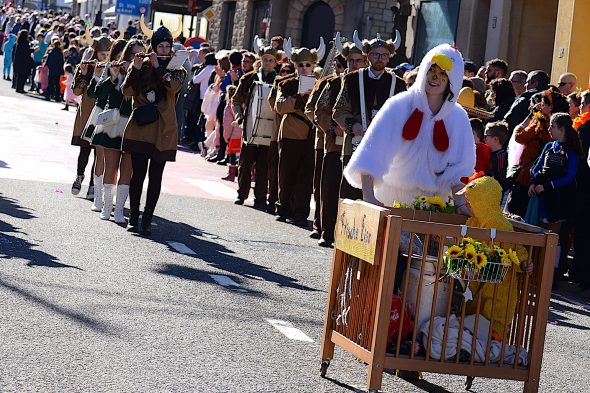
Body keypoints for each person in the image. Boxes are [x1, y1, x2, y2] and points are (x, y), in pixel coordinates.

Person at [344, 43, 474, 209]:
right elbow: (372, 152)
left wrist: (461, 204)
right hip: (392, 201)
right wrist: (369, 197)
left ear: (452, 80)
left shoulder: (458, 117)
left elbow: (460, 168)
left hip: (436, 205)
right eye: (431, 71)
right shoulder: (398, 106)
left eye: (443, 74)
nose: (435, 78)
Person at [123, 18, 186, 235]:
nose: (165, 49)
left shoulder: (177, 68)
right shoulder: (141, 65)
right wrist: (137, 69)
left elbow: (173, 88)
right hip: (141, 128)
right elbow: (127, 92)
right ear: (153, 47)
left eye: (168, 46)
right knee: (138, 174)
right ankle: (133, 217)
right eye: (160, 46)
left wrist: (159, 66)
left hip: (164, 130)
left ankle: (147, 219)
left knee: (156, 176)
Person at [333, 30, 406, 200]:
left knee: (378, 196)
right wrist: (353, 126)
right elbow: (339, 110)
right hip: (355, 145)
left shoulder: (399, 84)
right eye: (375, 54)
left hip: (385, 149)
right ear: (367, 57)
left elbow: (404, 115)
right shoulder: (351, 80)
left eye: (384, 55)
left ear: (389, 58)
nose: (380, 58)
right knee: (349, 196)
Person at [311, 33, 367, 247]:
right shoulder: (333, 83)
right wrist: (335, 129)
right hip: (334, 146)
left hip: (359, 148)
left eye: (358, 60)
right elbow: (319, 112)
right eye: (351, 60)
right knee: (330, 189)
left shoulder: (366, 85)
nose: (354, 64)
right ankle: (327, 232)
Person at [92, 38, 146, 224]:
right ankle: (107, 208)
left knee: (127, 169)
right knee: (110, 166)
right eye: (134, 54)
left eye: (141, 54)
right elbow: (98, 92)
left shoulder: (144, 72)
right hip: (113, 123)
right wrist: (113, 77)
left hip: (133, 125)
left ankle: (120, 211)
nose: (137, 58)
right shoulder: (115, 68)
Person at [273, 38, 325, 226]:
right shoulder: (286, 84)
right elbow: (279, 106)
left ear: (313, 66)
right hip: (290, 135)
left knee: (305, 179)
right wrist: (298, 100)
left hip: (311, 138)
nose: (304, 68)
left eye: (307, 65)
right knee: (286, 175)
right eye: (300, 65)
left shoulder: (321, 85)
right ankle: (283, 208)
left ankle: (301, 213)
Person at [529, 113, 581, 283]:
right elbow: (536, 168)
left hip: (558, 200)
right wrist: (534, 182)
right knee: (540, 235)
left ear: (562, 128)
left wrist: (548, 185)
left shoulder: (571, 152)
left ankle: (551, 275)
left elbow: (569, 177)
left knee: (554, 238)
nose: (549, 129)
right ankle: (535, 272)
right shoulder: (549, 146)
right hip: (542, 198)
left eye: (552, 126)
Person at [231, 39, 280, 208]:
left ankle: (260, 198)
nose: (267, 63)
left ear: (275, 63)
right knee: (245, 164)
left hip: (269, 130)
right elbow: (236, 99)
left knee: (264, 167)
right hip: (250, 128)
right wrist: (239, 114)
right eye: (265, 59)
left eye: (271, 60)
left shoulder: (279, 81)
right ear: (261, 61)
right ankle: (241, 194)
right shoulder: (249, 78)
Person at [507, 89, 569, 217]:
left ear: (551, 107)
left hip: (527, 179)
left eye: (543, 103)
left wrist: (531, 116)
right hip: (545, 182)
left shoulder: (540, 123)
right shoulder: (563, 127)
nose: (540, 106)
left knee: (516, 217)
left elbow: (519, 136)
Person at [70, 35, 113, 200]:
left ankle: (93, 185)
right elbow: (76, 91)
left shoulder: (111, 69)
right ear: (95, 54)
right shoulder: (87, 67)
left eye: (108, 54)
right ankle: (79, 177)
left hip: (103, 115)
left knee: (99, 152)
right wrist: (84, 73)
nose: (105, 57)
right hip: (87, 115)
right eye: (102, 54)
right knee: (84, 150)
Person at [573, 91, 590, 290]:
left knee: (584, 232)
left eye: (583, 103)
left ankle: (582, 274)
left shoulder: (585, 130)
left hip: (585, 187)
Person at [504, 70, 550, 136]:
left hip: (523, 138)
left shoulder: (524, 100)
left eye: (527, 82)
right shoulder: (555, 100)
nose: (525, 85)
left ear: (535, 84)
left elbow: (509, 120)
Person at [483, 121, 510, 198]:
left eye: (486, 136)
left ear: (495, 139)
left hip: (493, 194)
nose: (484, 139)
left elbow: (500, 178)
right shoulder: (488, 152)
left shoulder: (500, 156)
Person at [12, 29, 32, 94]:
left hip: (18, 61)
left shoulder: (18, 42)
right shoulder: (25, 42)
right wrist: (32, 50)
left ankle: (18, 88)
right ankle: (21, 88)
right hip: (24, 61)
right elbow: (26, 51)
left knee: (19, 76)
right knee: (23, 76)